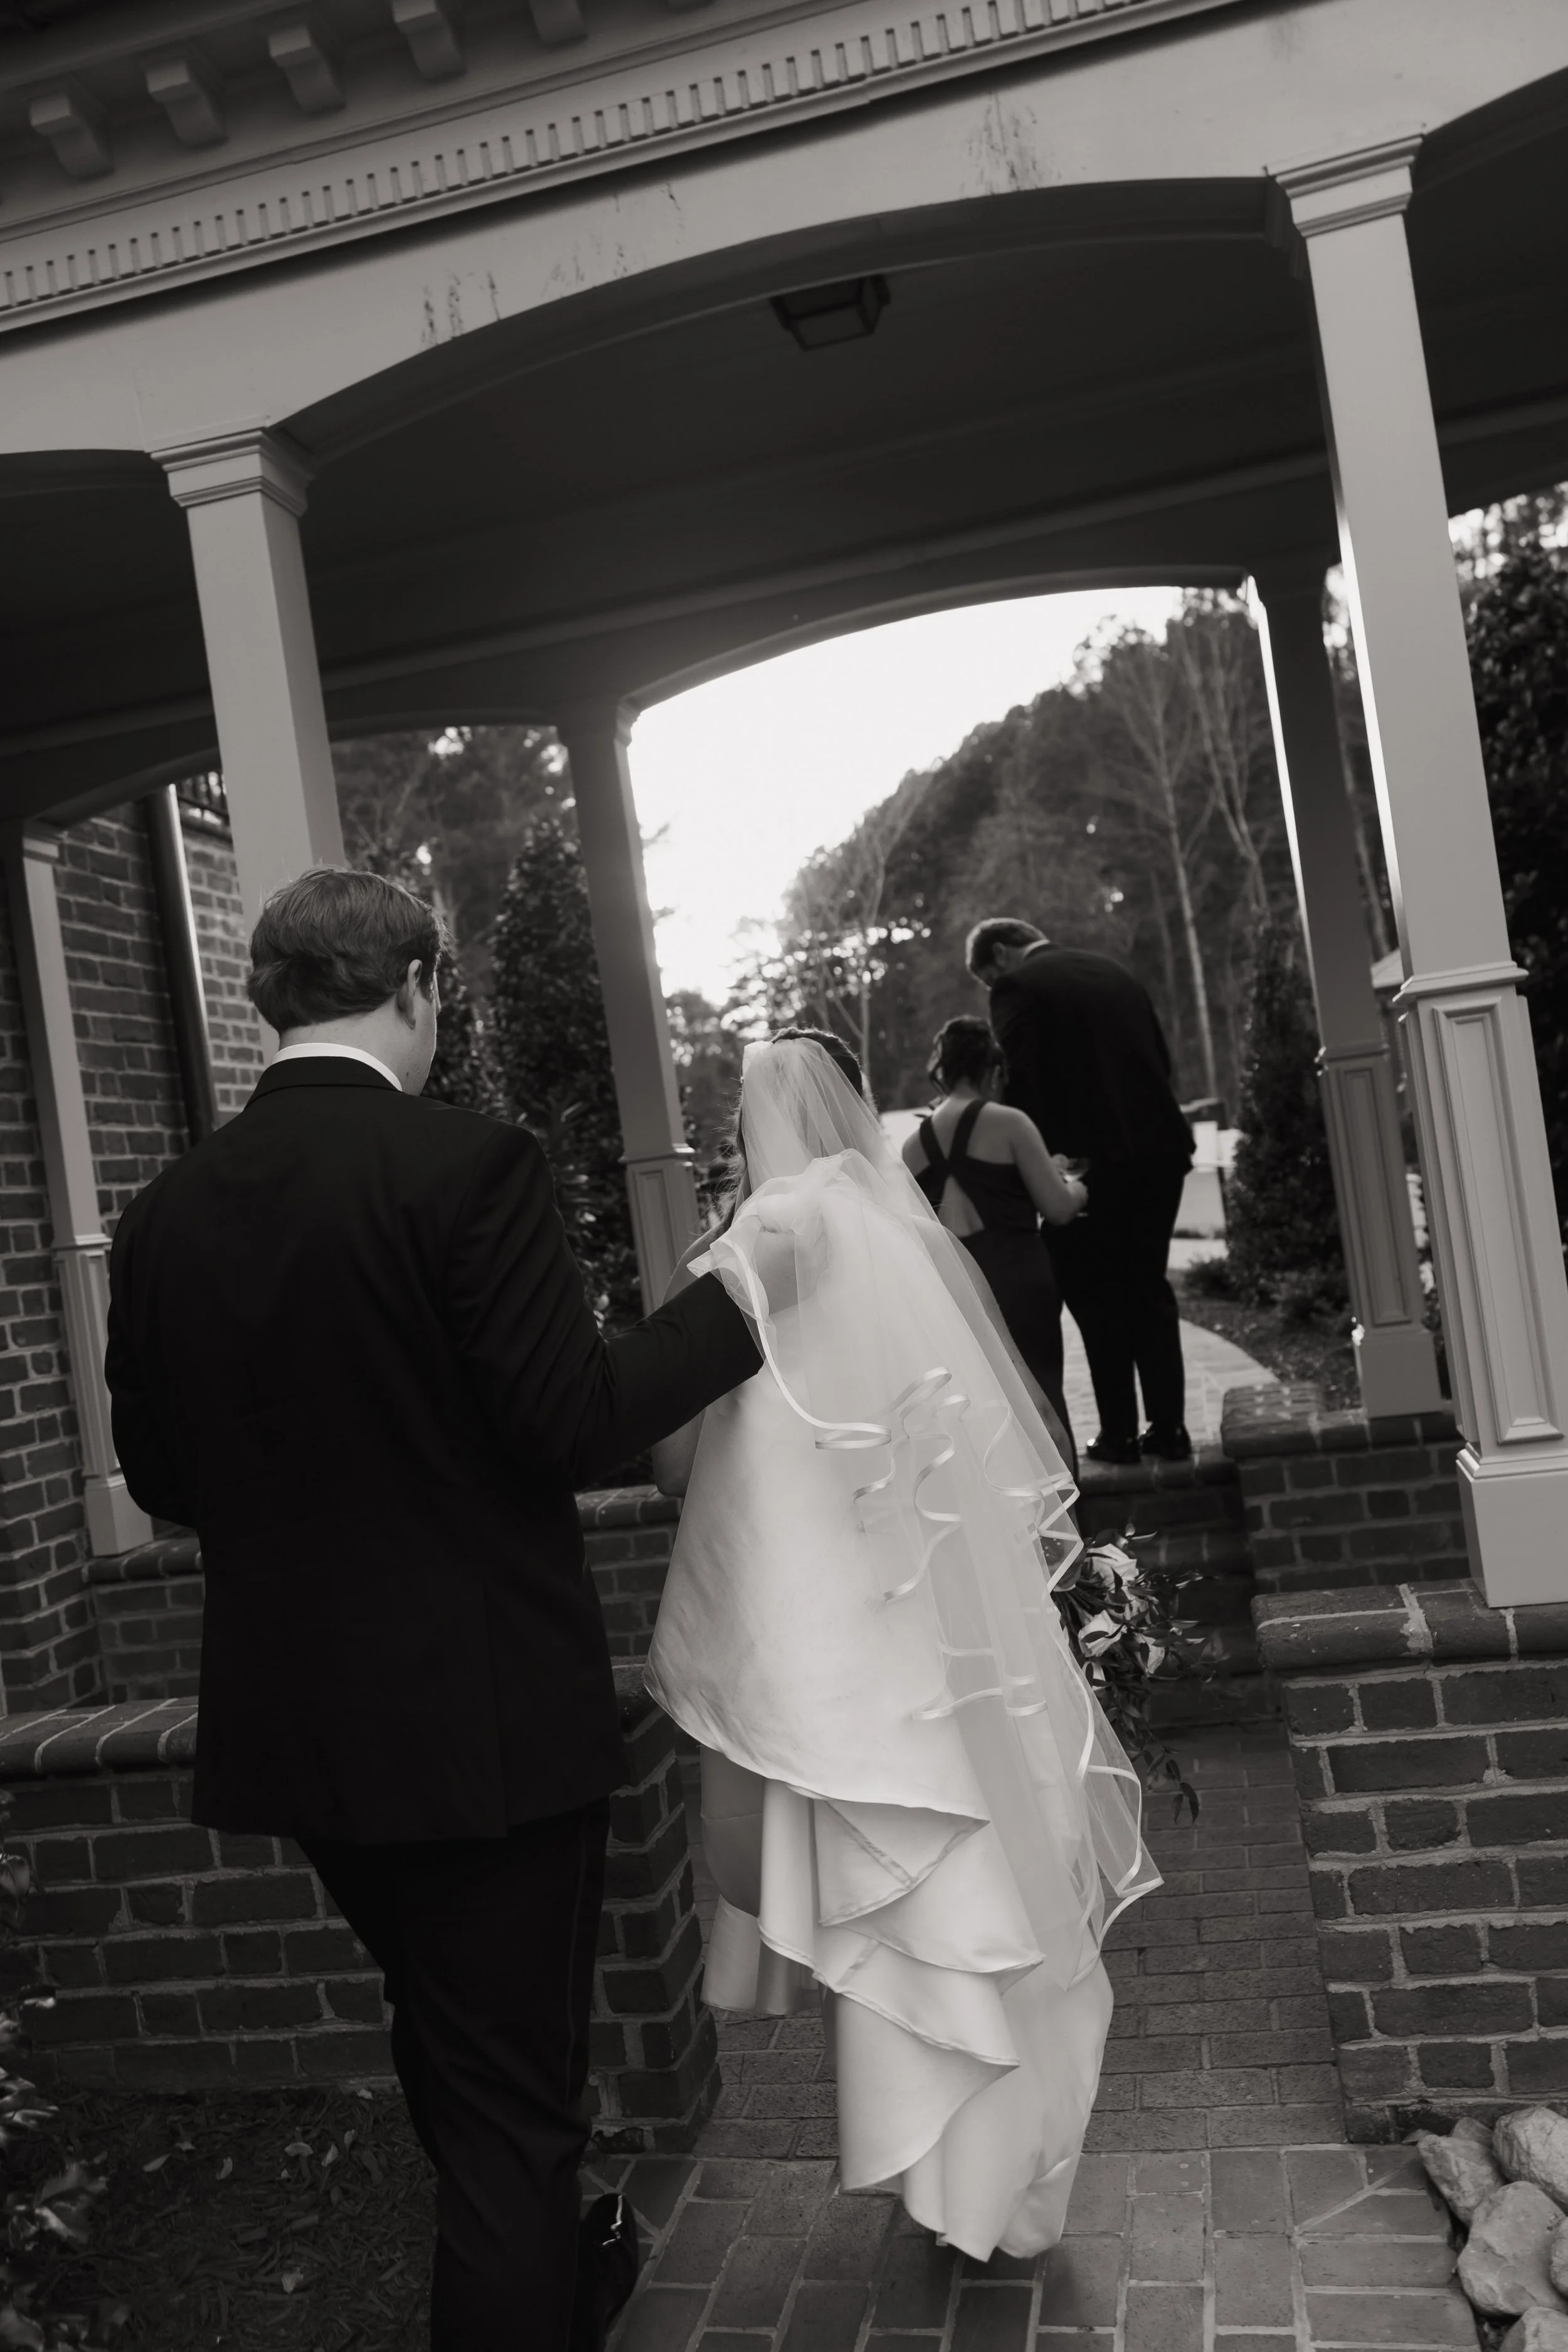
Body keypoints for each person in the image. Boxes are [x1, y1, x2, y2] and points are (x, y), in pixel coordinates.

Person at [103, 868, 768, 2352]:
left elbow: (158, 1471)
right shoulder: (465, 1165)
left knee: (455, 2047)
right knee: (509, 2118)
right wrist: (741, 1308)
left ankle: (574, 2269)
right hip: (482, 1738)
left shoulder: (160, 1217)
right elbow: (571, 1419)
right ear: (416, 984)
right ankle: (546, 2273)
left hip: (308, 1738)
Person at [646, 1031, 1157, 2262]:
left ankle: (950, 2176)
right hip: (934, 1635)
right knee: (977, 1869)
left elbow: (672, 1456)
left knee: (896, 1890)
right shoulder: (904, 1243)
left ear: (747, 1131)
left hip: (828, 1644)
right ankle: (999, 2169)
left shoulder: (755, 1245)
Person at [966, 918, 1195, 1466]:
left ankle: (1118, 1436)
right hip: (1162, 1154)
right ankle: (1169, 1430)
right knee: (1148, 1288)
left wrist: (1037, 1163)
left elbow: (1023, 1080)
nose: (991, 986)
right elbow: (1161, 1062)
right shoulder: (1113, 972)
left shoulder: (1018, 987)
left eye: (986, 976)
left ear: (1000, 954)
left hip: (1094, 1168)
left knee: (1093, 1296)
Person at [901, 1015, 1086, 1468]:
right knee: (1042, 1397)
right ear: (993, 1068)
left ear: (942, 1070)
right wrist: (1076, 1184)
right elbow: (1060, 1207)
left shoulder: (912, 1146)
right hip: (1019, 1277)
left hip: (956, 1288)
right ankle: (1068, 1523)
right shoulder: (1010, 1123)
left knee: (982, 1406)